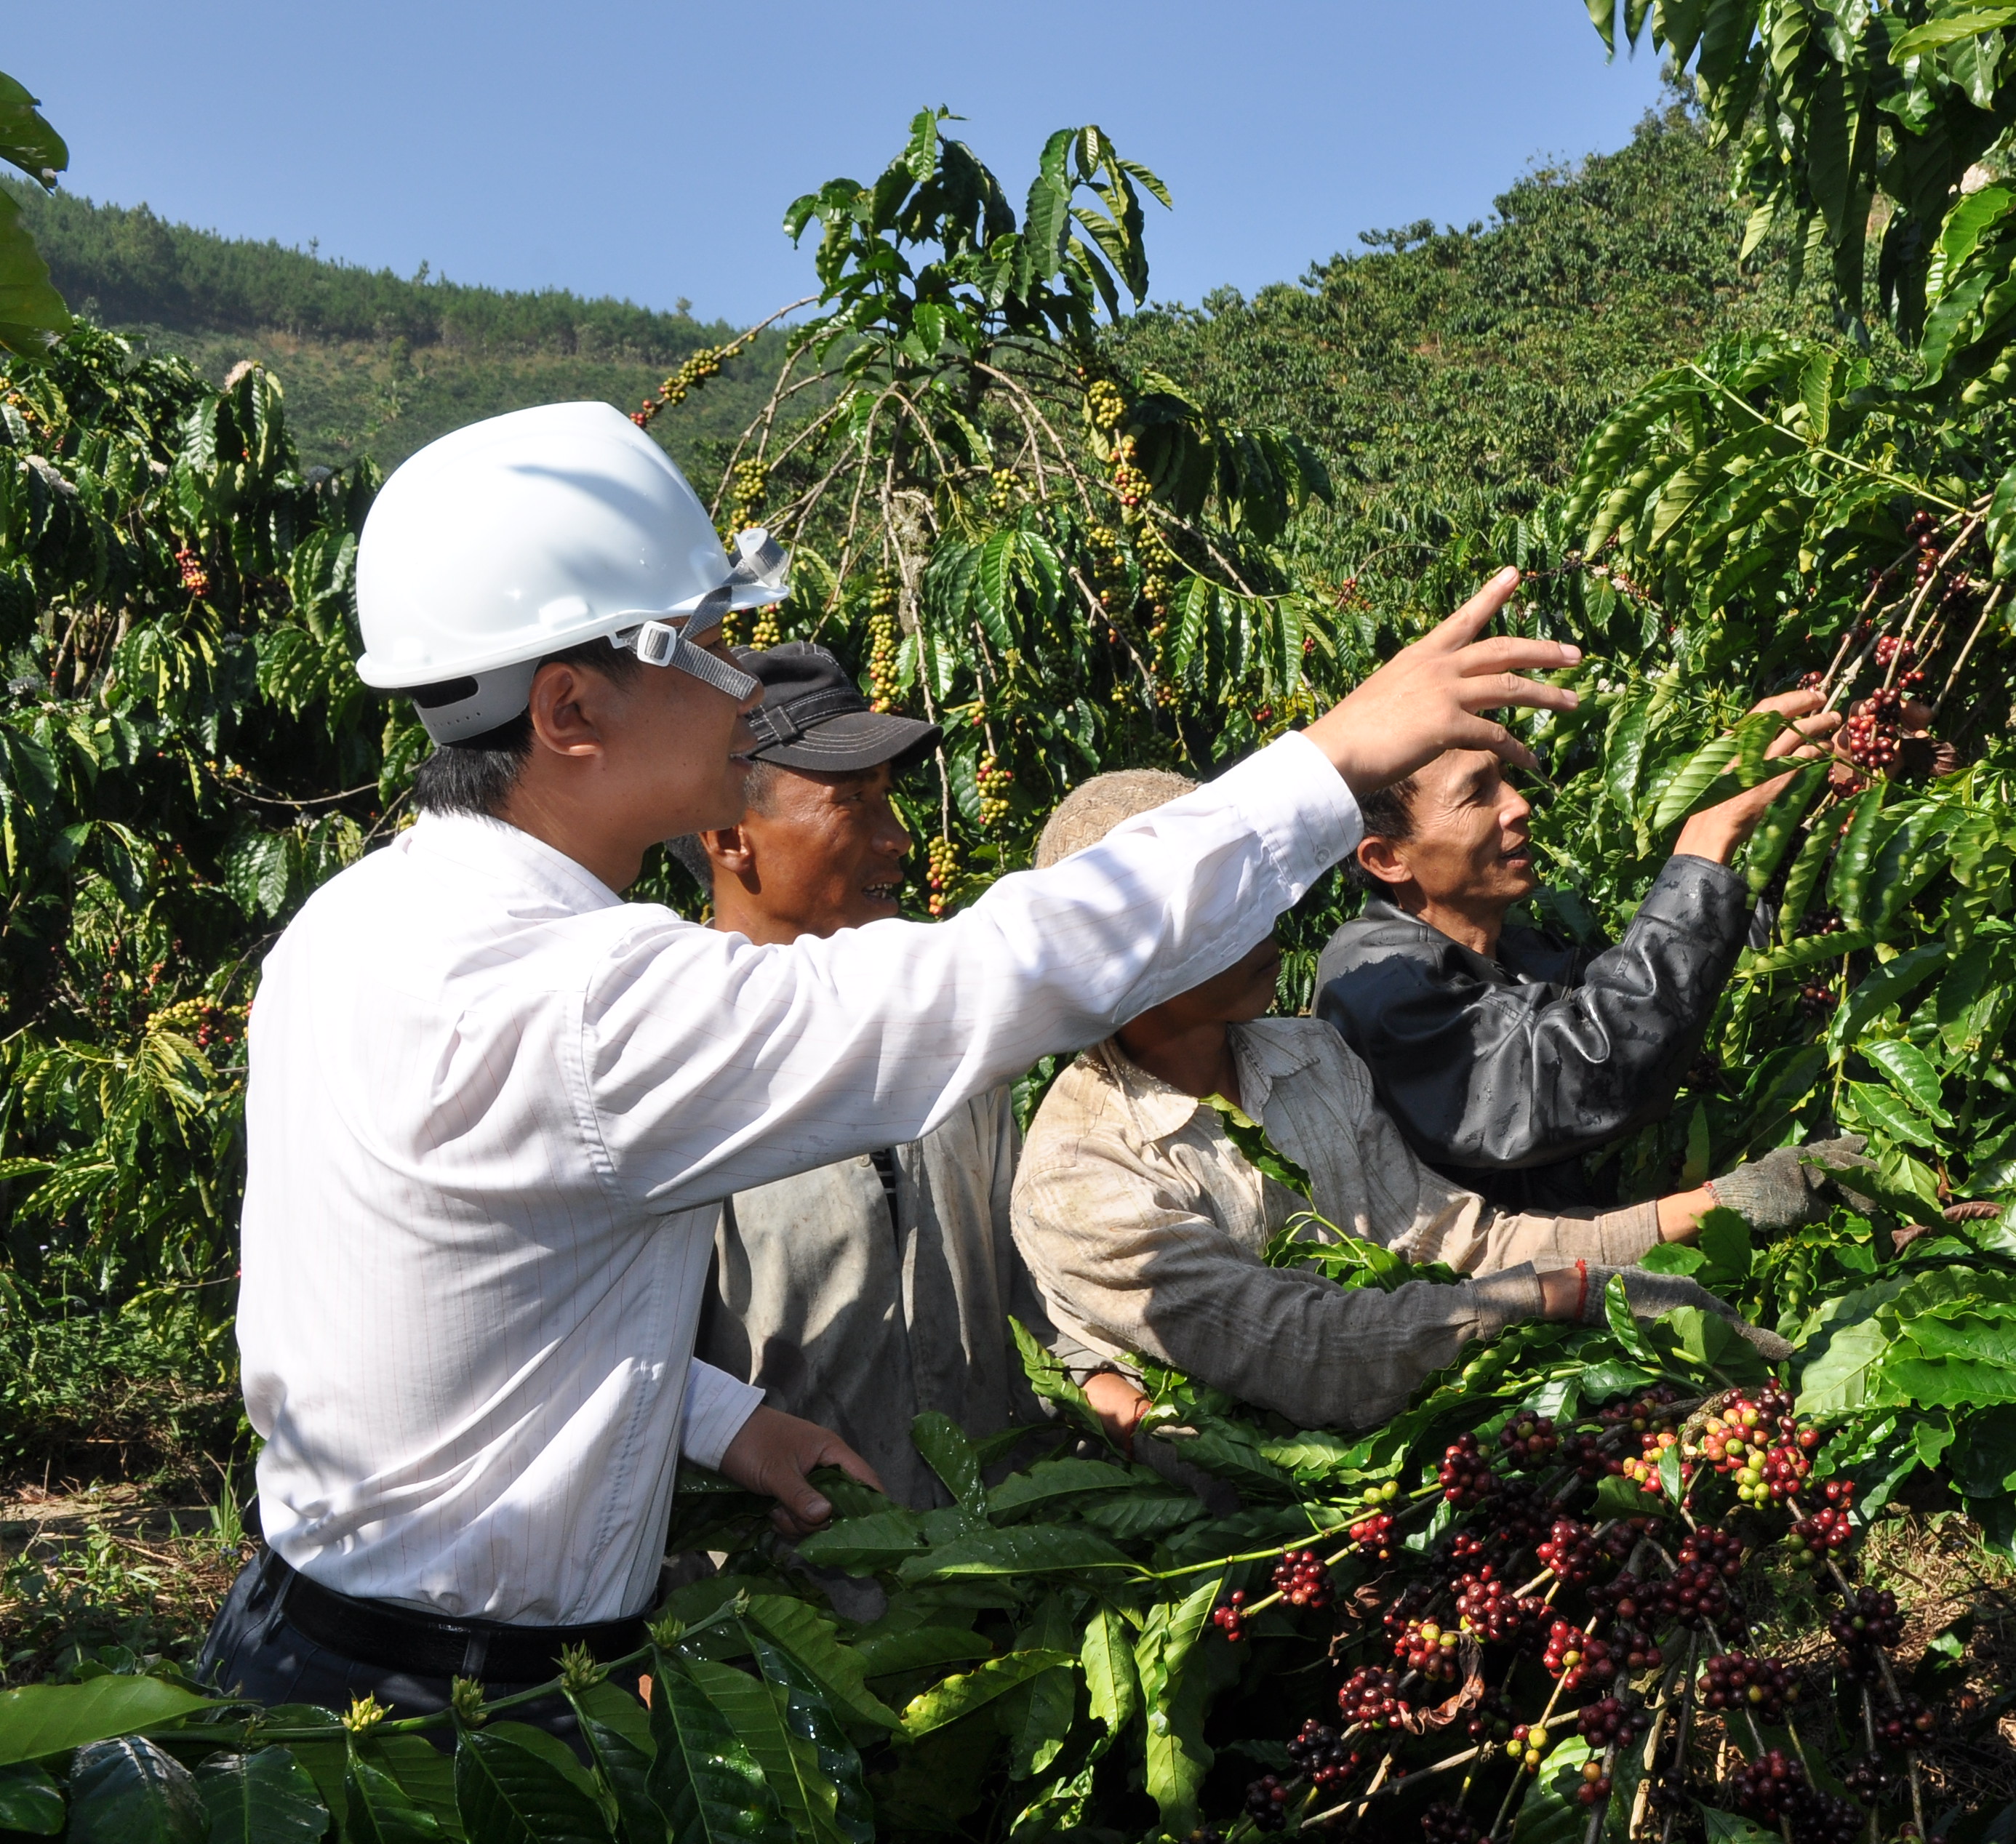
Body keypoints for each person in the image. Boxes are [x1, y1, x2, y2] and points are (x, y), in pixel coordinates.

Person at [203, 398, 1583, 1728]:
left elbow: (459, 1300)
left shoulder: (362, 924)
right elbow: (980, 978)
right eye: (707, 648)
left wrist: (719, 1415)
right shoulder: (577, 1001)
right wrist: (1323, 767)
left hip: (308, 1635)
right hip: (443, 1709)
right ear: (571, 707)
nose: (743, 689)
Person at [1012, 774, 1857, 1432]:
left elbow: (1459, 1238)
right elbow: (1310, 1353)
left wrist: (1710, 1208)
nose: (1267, 913)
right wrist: (1558, 1295)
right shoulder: (1084, 1174)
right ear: (1122, 958)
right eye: (1217, 905)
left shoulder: (1305, 1055)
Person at [658, 643, 1051, 1512]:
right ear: (728, 838)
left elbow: (1030, 1283)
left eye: (890, 798)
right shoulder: (673, 1072)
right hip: (778, 1605)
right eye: (854, 802)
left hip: (997, 1574)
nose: (899, 838)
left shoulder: (948, 1036)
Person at [1311, 691, 1845, 1210]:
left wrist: (1805, 820)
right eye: (1477, 793)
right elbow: (1592, 1073)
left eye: (1506, 780)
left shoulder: (1520, 947)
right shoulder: (1377, 982)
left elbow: (1684, 990)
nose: (1519, 804)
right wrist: (1706, 840)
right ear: (1386, 859)